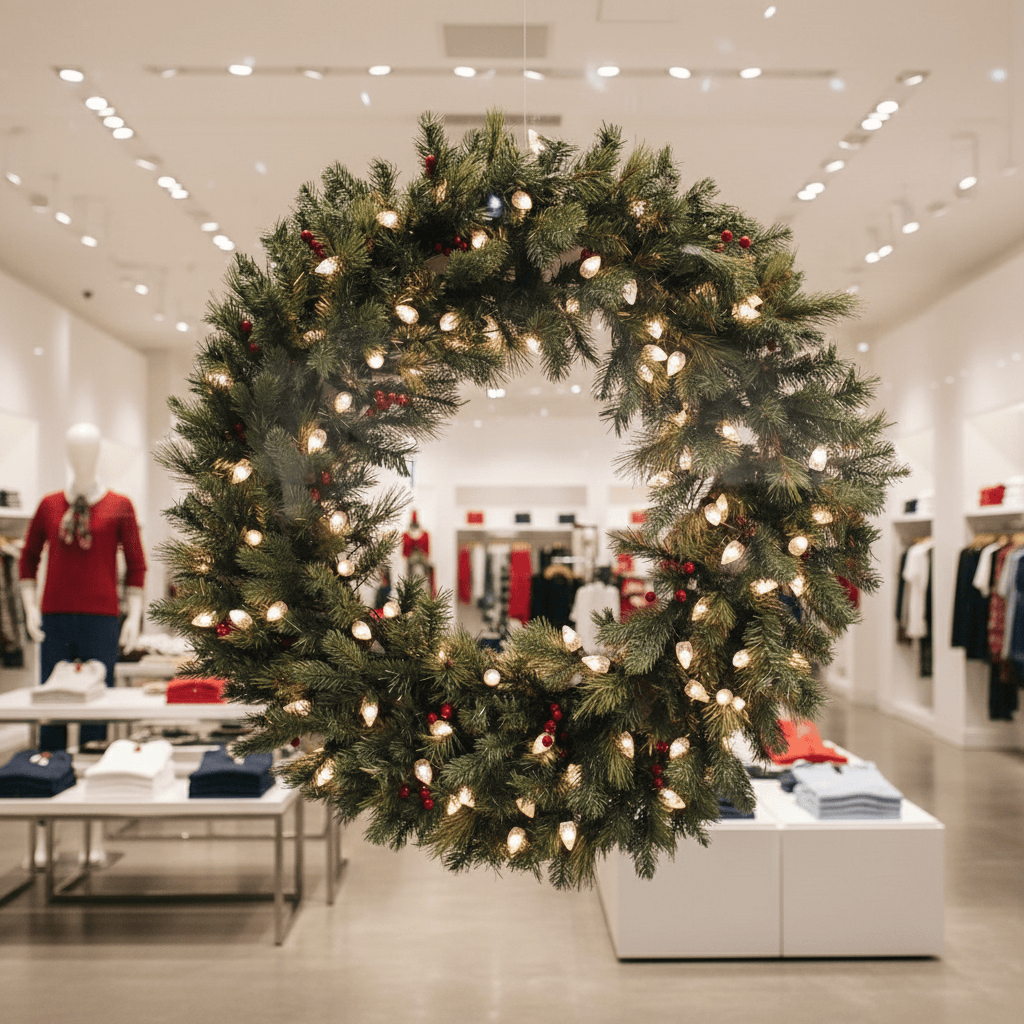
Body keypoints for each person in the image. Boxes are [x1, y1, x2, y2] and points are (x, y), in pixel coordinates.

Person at [18, 423, 146, 751]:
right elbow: (28, 557)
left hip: (101, 619)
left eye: (87, 451)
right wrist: (30, 608)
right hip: (55, 617)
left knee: (97, 704)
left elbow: (136, 564)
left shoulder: (120, 506)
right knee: (52, 701)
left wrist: (132, 617)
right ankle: (49, 769)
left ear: (97, 454)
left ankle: (94, 768)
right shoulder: (49, 505)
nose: (81, 458)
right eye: (75, 451)